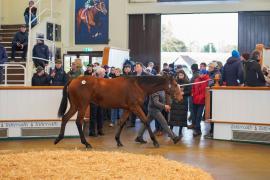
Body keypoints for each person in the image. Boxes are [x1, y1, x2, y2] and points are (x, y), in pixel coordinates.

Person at [169, 70, 191, 137]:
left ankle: (180, 132)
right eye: (179, 75)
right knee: (173, 116)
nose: (180, 76)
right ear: (178, 75)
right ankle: (171, 131)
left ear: (184, 75)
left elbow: (189, 91)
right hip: (175, 101)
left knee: (182, 117)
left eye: (182, 75)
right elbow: (171, 90)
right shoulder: (175, 82)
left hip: (183, 101)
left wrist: (183, 93)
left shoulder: (187, 82)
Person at [192, 69, 209, 136]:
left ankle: (196, 129)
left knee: (199, 116)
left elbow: (207, 90)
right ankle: (198, 130)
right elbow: (193, 88)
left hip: (201, 101)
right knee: (195, 115)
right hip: (195, 100)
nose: (200, 75)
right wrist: (192, 94)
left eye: (202, 73)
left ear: (205, 74)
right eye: (200, 73)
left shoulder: (207, 80)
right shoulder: (196, 80)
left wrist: (203, 97)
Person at [89, 67, 106, 136]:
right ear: (99, 73)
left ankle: (100, 130)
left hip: (100, 99)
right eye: (103, 73)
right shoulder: (92, 79)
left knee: (100, 115)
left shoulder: (103, 79)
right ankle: (92, 131)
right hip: (93, 99)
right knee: (93, 115)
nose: (104, 75)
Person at [187, 64, 200, 129]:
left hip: (193, 94)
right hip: (196, 94)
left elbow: (190, 84)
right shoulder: (198, 74)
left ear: (192, 69)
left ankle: (193, 124)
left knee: (192, 109)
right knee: (194, 110)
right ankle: (194, 123)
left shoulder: (195, 75)